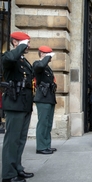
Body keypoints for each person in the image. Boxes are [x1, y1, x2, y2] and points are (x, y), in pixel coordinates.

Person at [1, 32, 34, 182]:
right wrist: (20, 47)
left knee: (21, 139)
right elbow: (9, 59)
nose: (28, 46)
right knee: (12, 140)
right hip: (14, 103)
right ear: (15, 42)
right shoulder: (9, 57)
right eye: (26, 43)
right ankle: (8, 174)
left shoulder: (23, 60)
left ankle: (17, 168)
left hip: (24, 103)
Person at [33, 46, 57, 155]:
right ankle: (41, 147)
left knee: (48, 123)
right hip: (42, 98)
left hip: (49, 98)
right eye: (48, 54)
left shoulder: (47, 68)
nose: (50, 57)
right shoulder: (37, 64)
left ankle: (47, 145)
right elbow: (40, 66)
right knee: (43, 123)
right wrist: (46, 57)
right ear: (42, 53)